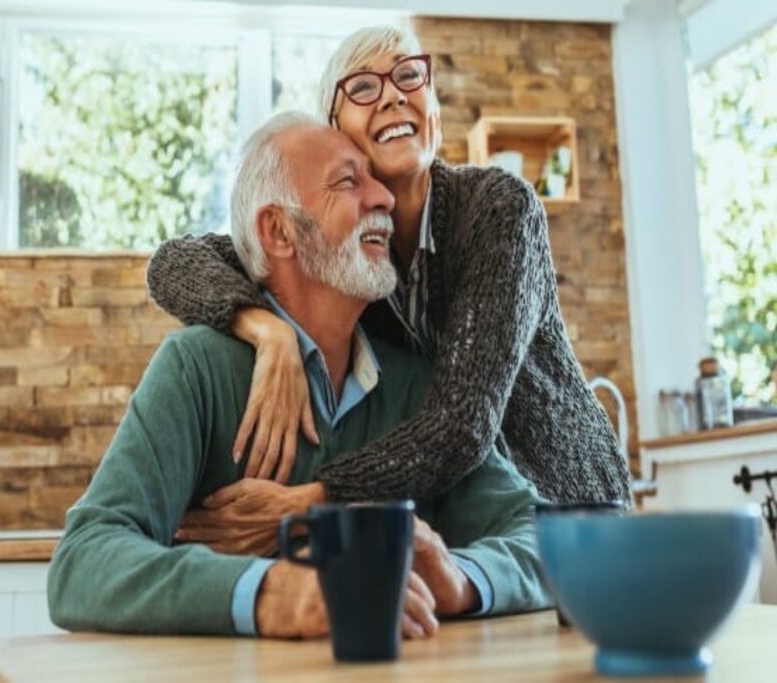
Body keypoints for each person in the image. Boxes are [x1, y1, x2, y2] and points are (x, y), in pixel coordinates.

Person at [47, 113, 551, 638]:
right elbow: (82, 562)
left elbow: (544, 536)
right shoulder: (195, 370)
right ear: (279, 231)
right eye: (349, 181)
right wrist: (272, 592)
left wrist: (461, 579)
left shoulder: (417, 386)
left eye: (375, 181)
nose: (384, 199)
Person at [145, 26, 630, 552]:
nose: (394, 94)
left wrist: (313, 499)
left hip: (566, 512)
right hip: (463, 533)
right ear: (336, 133)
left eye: (407, 76)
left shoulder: (498, 209)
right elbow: (175, 262)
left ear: (435, 117)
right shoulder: (345, 257)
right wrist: (266, 331)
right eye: (363, 88)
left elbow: (463, 423)